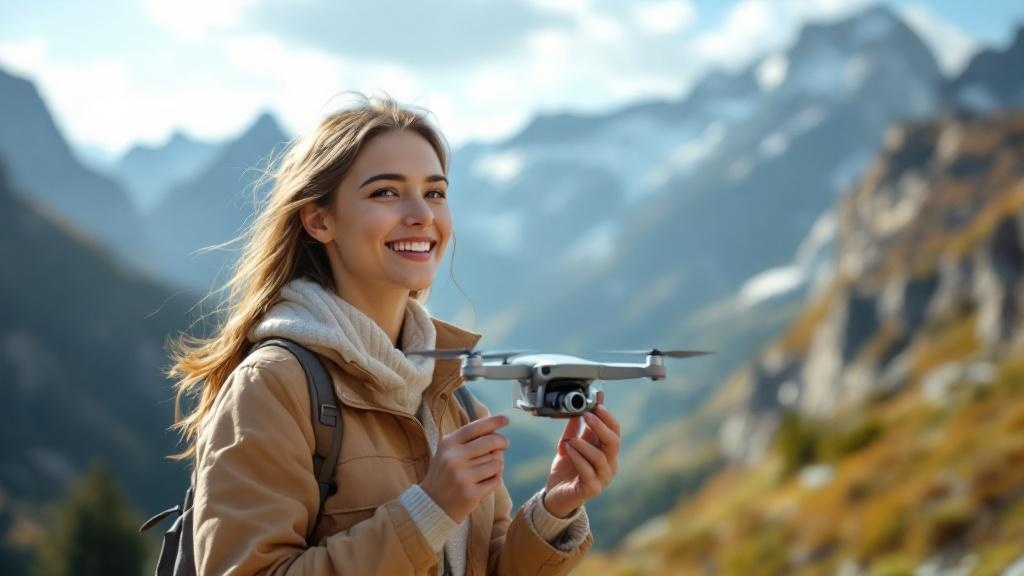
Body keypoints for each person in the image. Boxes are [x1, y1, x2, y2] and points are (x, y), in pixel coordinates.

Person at [166, 94, 621, 575]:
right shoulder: (273, 385)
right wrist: (428, 510)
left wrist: (555, 509)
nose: (422, 213)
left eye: (435, 192)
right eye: (386, 192)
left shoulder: (453, 398)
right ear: (319, 220)